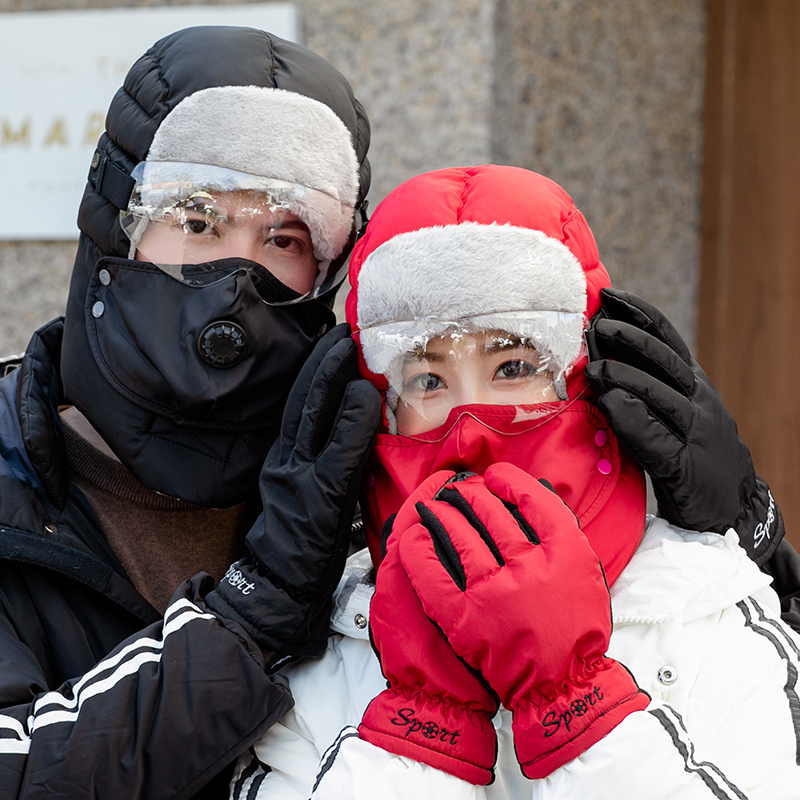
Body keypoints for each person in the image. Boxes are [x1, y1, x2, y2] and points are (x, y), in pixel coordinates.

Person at [230, 164, 800, 798]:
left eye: (514, 365)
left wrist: (576, 703)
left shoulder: (709, 608)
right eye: (428, 380)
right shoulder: (324, 649)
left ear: (586, 377)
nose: (470, 426)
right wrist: (425, 725)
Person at [0, 25, 381, 798]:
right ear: (117, 226)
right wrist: (250, 618)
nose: (234, 277)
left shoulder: (352, 490)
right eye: (198, 220)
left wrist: (685, 527)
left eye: (282, 237)